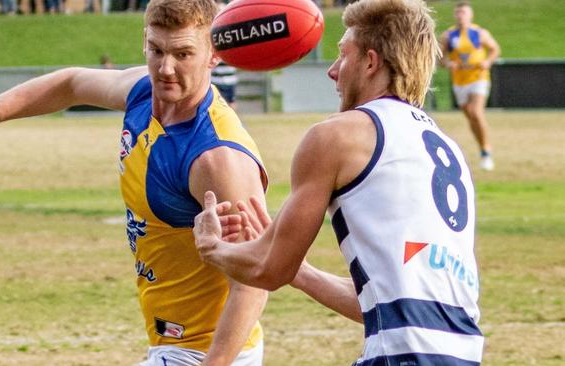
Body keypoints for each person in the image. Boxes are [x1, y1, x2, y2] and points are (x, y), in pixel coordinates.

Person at [0, 0, 268, 365]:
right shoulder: (143, 92)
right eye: (156, 50)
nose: (165, 68)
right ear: (144, 40)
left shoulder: (218, 158)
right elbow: (71, 83)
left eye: (183, 54)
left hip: (206, 351)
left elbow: (253, 278)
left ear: (213, 54)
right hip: (174, 341)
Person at [194, 0, 484, 365]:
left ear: (370, 61)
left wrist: (212, 247)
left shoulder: (337, 136)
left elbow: (267, 270)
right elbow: (384, 305)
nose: (332, 70)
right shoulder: (445, 147)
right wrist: (299, 271)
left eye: (343, 54)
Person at [440, 1, 500, 171]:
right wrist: (448, 63)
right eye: (458, 13)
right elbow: (440, 57)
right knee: (471, 118)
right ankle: (482, 147)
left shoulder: (480, 33)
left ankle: (486, 151)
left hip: (479, 78)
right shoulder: (448, 35)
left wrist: (488, 61)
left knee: (476, 111)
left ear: (470, 15)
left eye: (464, 12)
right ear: (455, 15)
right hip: (460, 82)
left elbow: (495, 49)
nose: (461, 16)